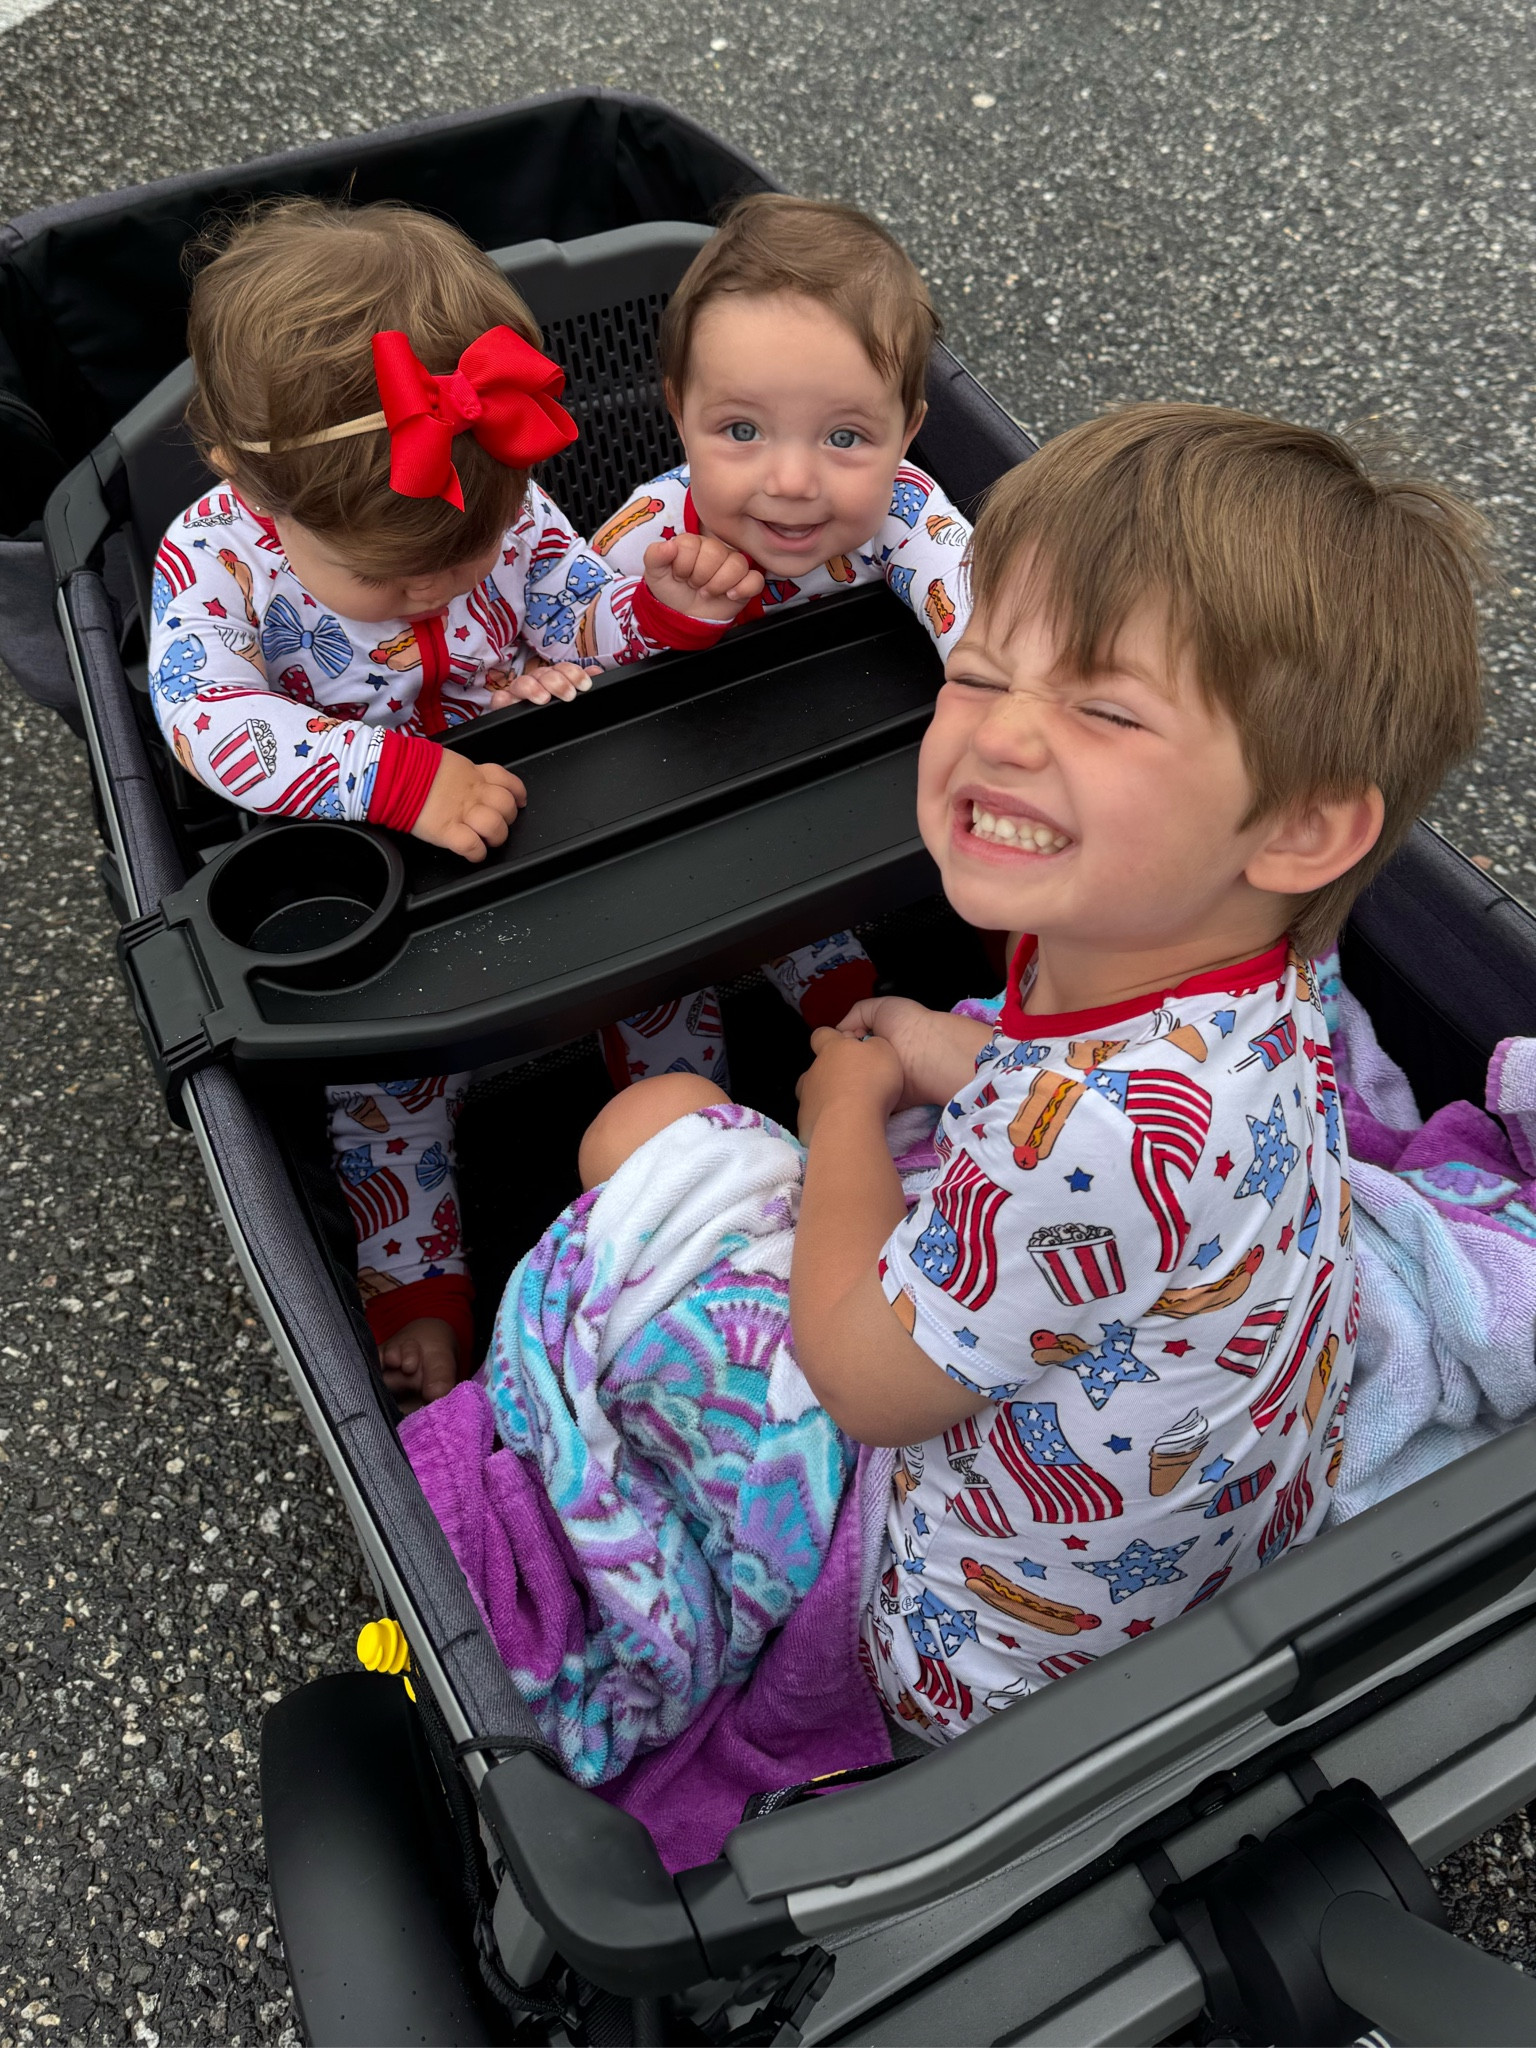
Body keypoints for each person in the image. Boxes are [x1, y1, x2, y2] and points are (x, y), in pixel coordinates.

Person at [566, 402, 1488, 1736]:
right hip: (1208, 1559)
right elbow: (1124, 1129)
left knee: (644, 1124)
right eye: (984, 673)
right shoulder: (1253, 979)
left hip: (972, 1658)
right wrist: (959, 1057)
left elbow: (866, 1380)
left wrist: (840, 1115)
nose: (1000, 733)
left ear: (1298, 825)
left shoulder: (1079, 1137)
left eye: (1104, 706)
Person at [146, 197, 758, 1402]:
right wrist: (399, 778)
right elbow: (206, 719)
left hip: (545, 802)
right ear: (246, 480)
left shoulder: (496, 495)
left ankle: (707, 1218)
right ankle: (416, 1279)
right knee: (387, 1086)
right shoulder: (214, 558)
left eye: (464, 552)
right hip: (369, 868)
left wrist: (660, 613)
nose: (439, 584)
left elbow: (570, 602)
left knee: (665, 980)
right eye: (387, 575)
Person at [563, 194, 975, 1088]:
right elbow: (563, 667)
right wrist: (656, 617)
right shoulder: (644, 536)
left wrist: (992, 697)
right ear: (679, 411)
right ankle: (678, 1128)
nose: (792, 481)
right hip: (662, 829)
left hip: (808, 810)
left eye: (845, 437)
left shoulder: (901, 510)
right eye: (741, 431)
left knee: (844, 977)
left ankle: (847, 1032)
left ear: (907, 431)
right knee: (651, 999)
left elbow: (976, 617)